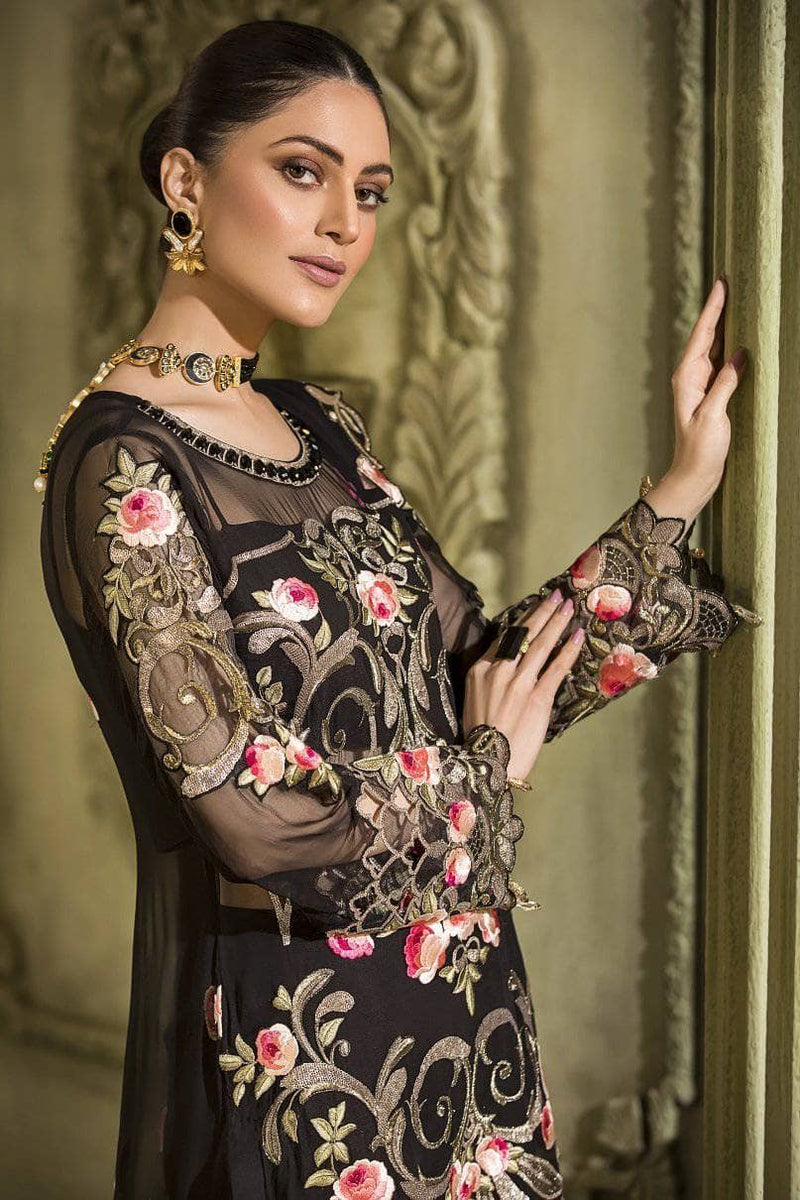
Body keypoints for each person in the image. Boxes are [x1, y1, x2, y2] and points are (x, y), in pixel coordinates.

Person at [36, 17, 760, 1200]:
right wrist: (483, 775)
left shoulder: (316, 426)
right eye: (301, 170)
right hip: (299, 1059)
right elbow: (250, 817)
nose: (344, 224)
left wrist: (675, 492)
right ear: (185, 181)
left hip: (460, 1014)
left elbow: (489, 671)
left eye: (368, 192)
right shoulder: (126, 465)